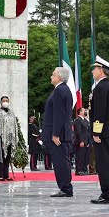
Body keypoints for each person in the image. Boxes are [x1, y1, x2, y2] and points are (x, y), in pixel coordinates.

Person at [89, 56, 109, 204]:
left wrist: (96, 132)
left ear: (101, 70)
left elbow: (99, 113)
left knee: (104, 164)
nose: (93, 71)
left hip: (103, 133)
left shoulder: (100, 88)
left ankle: (107, 194)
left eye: (95, 68)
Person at [42, 67, 74, 197]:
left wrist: (55, 134)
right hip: (61, 133)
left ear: (59, 77)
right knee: (62, 161)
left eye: (53, 74)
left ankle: (65, 188)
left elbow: (59, 114)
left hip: (57, 135)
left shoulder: (60, 90)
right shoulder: (63, 89)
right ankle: (65, 187)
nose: (51, 76)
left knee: (60, 162)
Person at [0, 96, 17, 181]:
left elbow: (14, 124)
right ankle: (0, 175)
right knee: (1, 157)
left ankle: (6, 175)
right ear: (0, 102)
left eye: (6, 101)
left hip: (10, 138)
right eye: (3, 101)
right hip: (1, 137)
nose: (5, 102)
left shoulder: (11, 112)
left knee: (8, 157)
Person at [73, 107, 90, 175]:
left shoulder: (85, 120)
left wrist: (88, 141)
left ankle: (84, 169)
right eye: (84, 110)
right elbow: (78, 132)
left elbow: (87, 131)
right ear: (80, 112)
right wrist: (81, 141)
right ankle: (79, 170)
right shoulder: (78, 120)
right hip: (81, 141)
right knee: (80, 156)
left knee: (85, 156)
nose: (85, 111)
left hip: (86, 141)